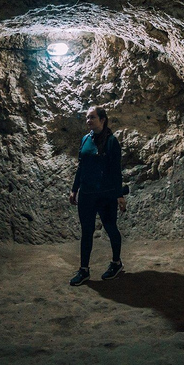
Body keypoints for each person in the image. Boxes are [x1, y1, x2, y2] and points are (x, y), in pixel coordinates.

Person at [68, 106, 127, 286]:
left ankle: (116, 263)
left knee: (110, 227)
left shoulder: (111, 142)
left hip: (105, 195)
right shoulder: (85, 139)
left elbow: (116, 171)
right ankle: (84, 270)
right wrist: (74, 189)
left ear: (102, 120)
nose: (88, 121)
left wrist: (119, 195)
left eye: (92, 117)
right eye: (87, 118)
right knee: (86, 231)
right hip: (87, 194)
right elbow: (81, 167)